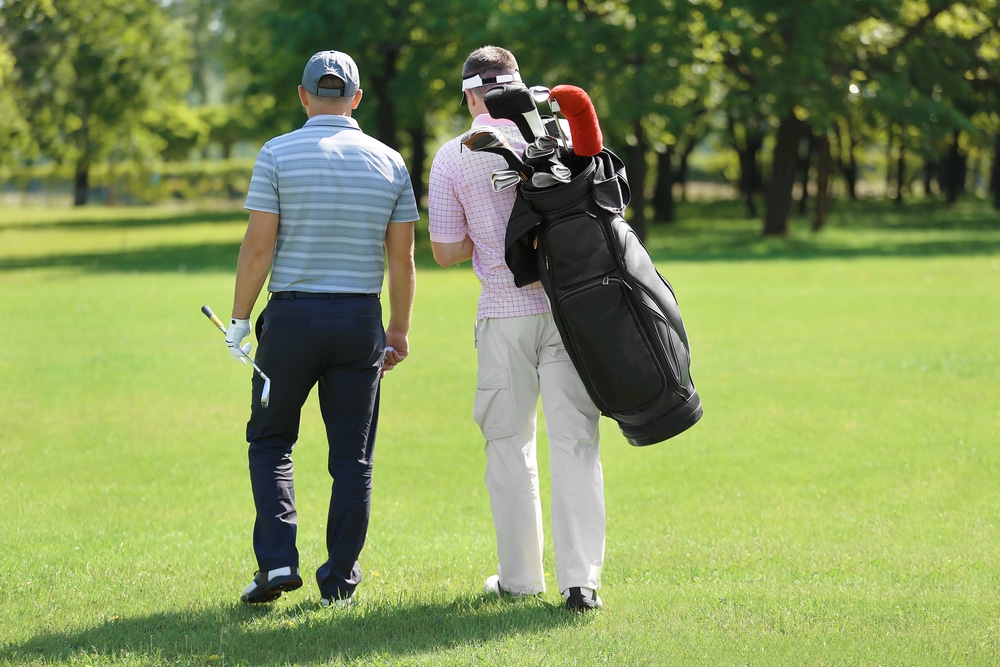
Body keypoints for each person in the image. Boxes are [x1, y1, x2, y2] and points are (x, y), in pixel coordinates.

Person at [223, 49, 417, 607]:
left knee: (271, 441)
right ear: (356, 98)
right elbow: (401, 260)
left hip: (290, 321)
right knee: (352, 457)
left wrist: (239, 320)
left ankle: (278, 561)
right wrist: (397, 331)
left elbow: (259, 248)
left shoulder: (277, 154)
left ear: (304, 96)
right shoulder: (390, 162)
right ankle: (339, 583)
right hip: (360, 321)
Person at [427, 45, 605, 611]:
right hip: (569, 310)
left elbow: (445, 250)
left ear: (468, 94)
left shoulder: (453, 157)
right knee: (574, 442)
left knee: (509, 446)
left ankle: (521, 579)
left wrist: (488, 227)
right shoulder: (553, 139)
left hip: (504, 316)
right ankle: (582, 584)